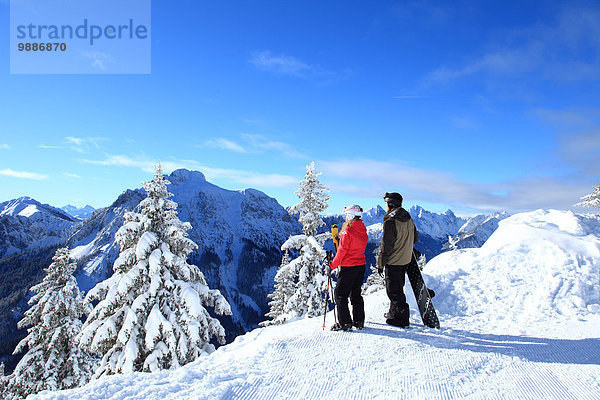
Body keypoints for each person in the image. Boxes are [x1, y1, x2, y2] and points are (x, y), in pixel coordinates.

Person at [377, 192, 419, 328]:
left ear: (390, 204)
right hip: (405, 259)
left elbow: (387, 246)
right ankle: (393, 313)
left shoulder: (390, 221)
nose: (385, 206)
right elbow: (415, 238)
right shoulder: (408, 218)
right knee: (398, 287)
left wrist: (381, 263)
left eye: (386, 204)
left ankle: (401, 318)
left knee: (393, 291)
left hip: (394, 261)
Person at [329, 204, 368, 331]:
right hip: (360, 265)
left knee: (340, 294)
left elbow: (342, 251)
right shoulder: (362, 230)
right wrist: (342, 239)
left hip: (349, 267)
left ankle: (345, 323)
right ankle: (359, 321)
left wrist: (332, 265)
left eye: (347, 215)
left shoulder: (347, 231)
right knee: (356, 294)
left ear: (351, 215)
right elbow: (354, 245)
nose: (346, 218)